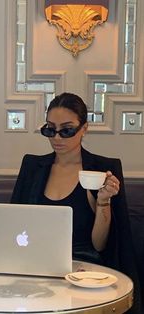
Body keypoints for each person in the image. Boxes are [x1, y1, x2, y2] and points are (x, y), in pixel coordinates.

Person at [11, 92, 141, 313]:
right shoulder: (33, 167)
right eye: (50, 129)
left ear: (84, 128)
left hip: (85, 272)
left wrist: (103, 201)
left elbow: (101, 245)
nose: (57, 138)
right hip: (36, 269)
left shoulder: (101, 171)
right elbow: (14, 226)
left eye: (67, 130)